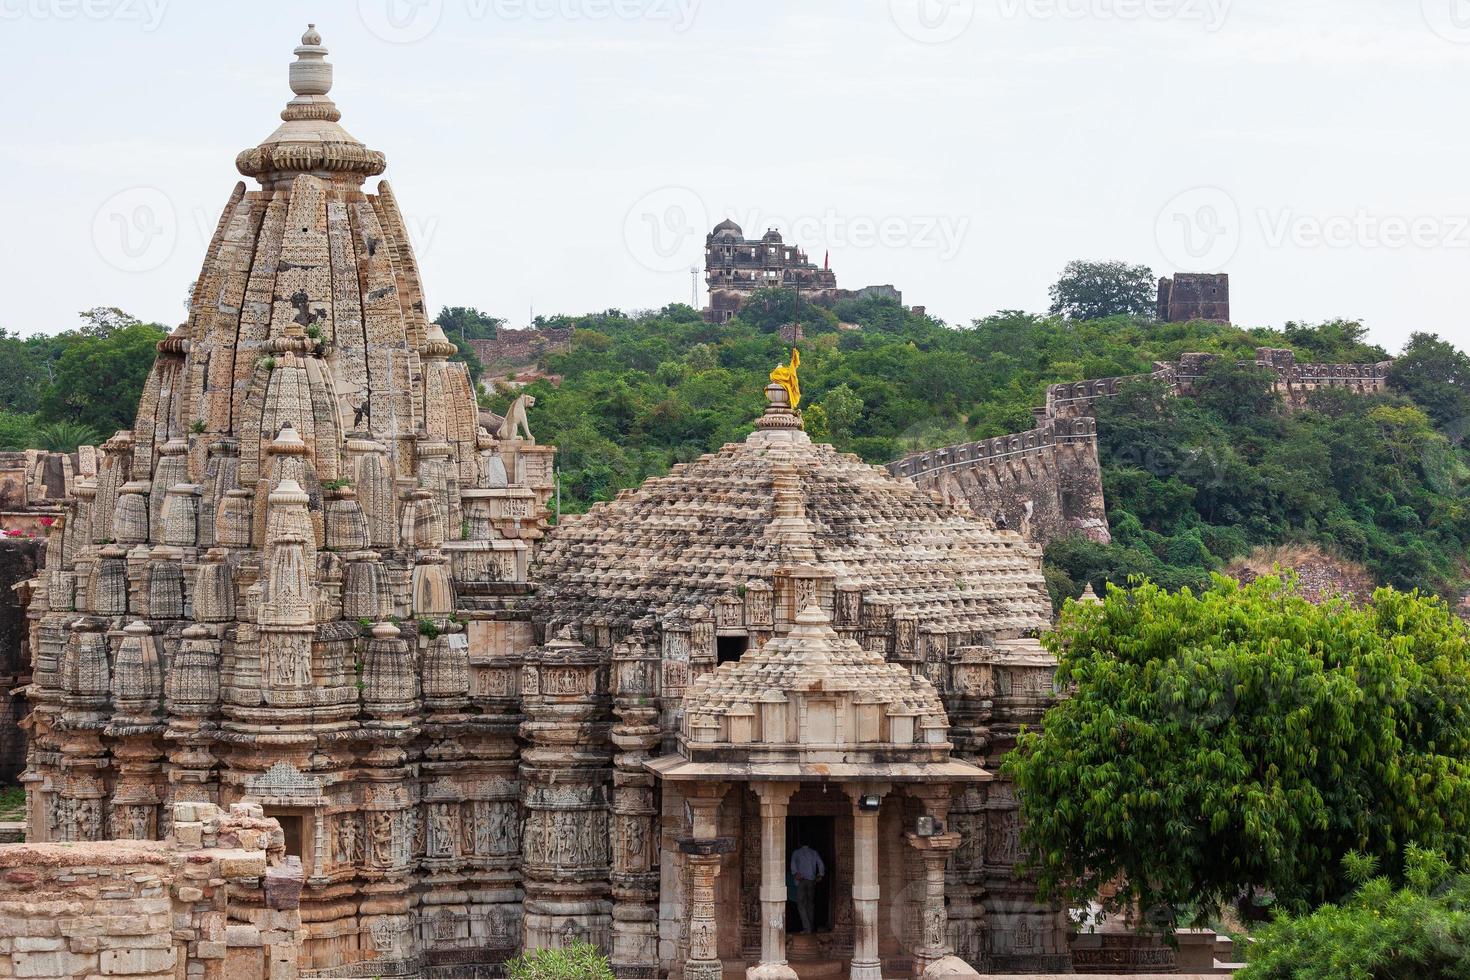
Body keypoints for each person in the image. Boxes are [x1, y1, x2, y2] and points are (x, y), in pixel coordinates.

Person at [789, 842, 825, 934]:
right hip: (811, 881)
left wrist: (795, 873)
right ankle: (810, 928)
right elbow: (820, 863)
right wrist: (820, 874)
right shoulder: (814, 852)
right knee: (810, 905)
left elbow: (793, 864)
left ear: (800, 844)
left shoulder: (796, 852)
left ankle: (807, 928)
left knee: (801, 905)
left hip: (801, 880)